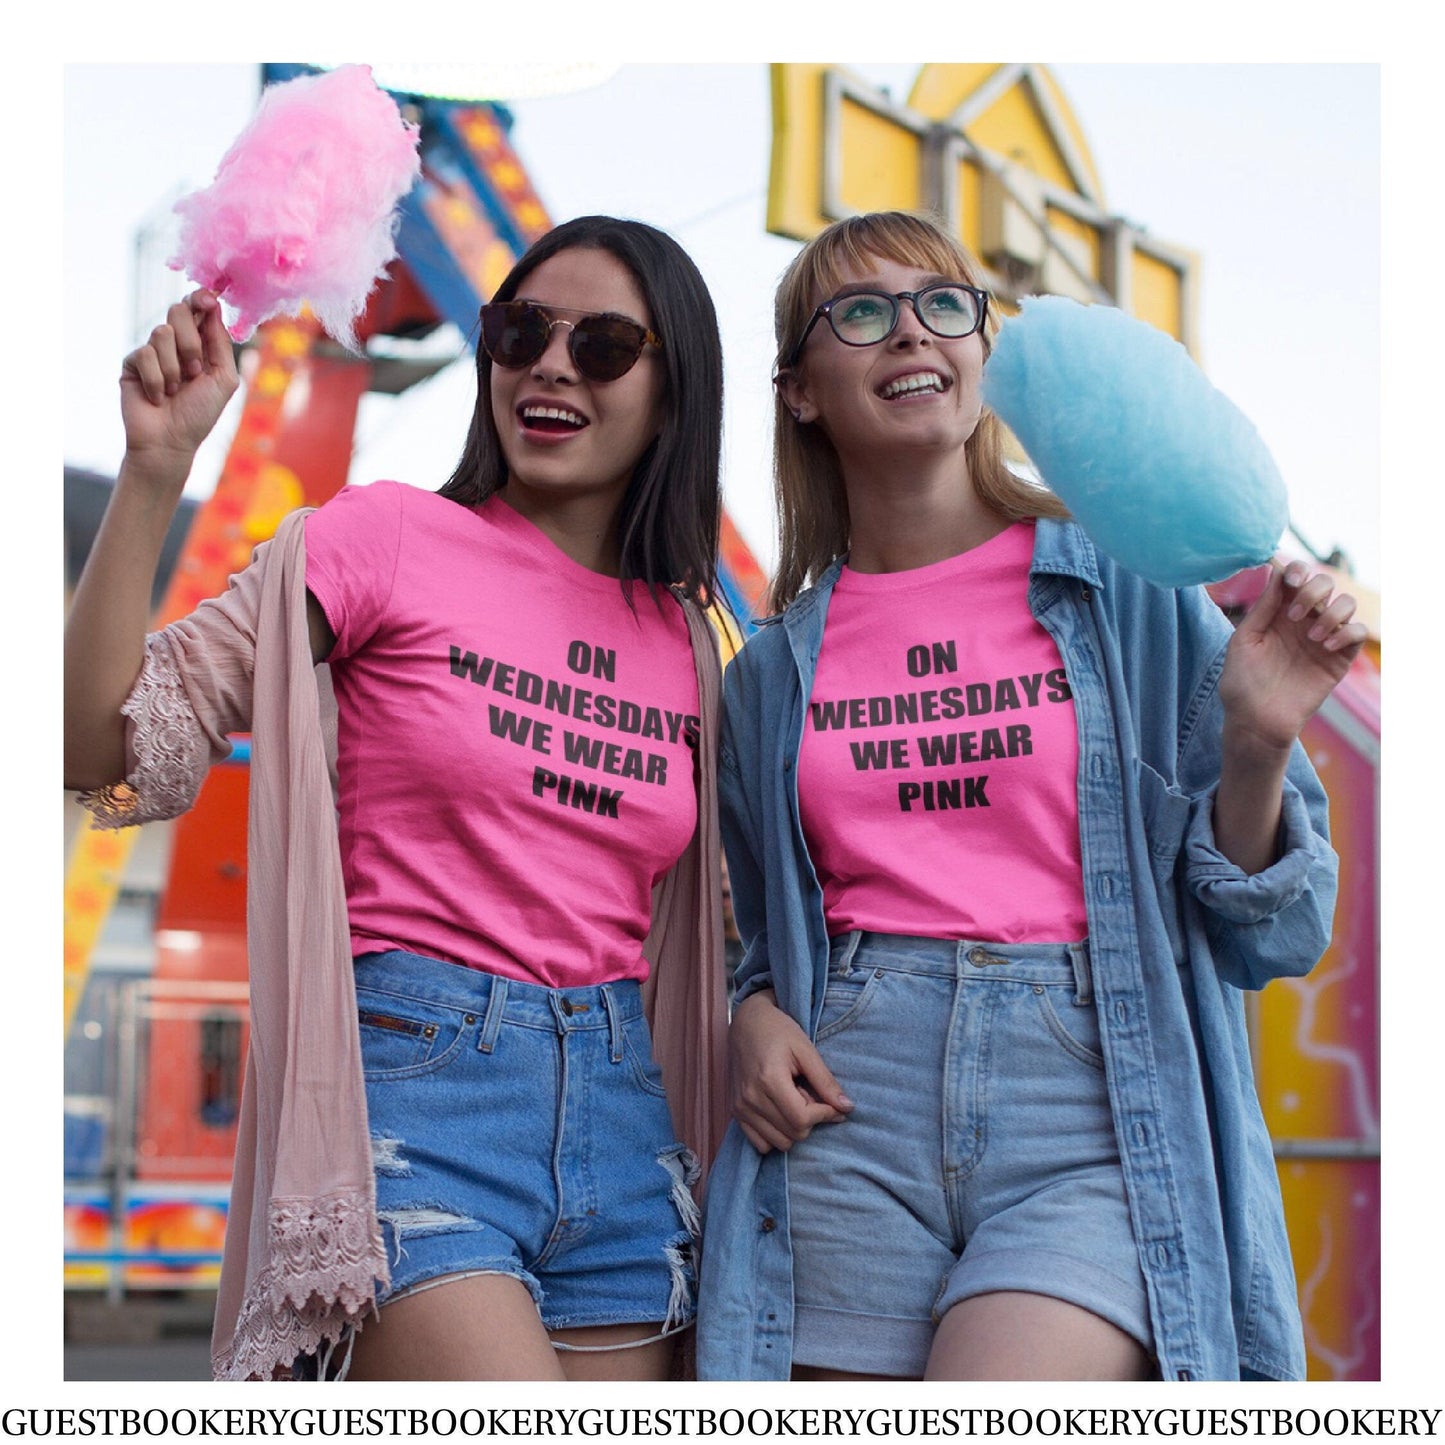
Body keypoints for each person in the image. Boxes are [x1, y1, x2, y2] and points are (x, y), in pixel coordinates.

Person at [695, 210, 1365, 1382]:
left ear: (982, 346)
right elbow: (762, 935)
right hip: (852, 1097)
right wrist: (748, 1016)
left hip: (1086, 1102)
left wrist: (1256, 739)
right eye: (860, 312)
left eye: (941, 303)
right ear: (798, 389)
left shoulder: (1128, 590)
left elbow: (1272, 931)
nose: (910, 328)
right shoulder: (766, 675)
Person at [64, 215, 732, 1382]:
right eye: (521, 331)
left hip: (628, 1112)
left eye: (606, 344)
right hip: (417, 1097)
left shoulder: (691, 638)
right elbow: (102, 743)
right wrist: (157, 466)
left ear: (673, 394)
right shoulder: (386, 539)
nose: (550, 364)